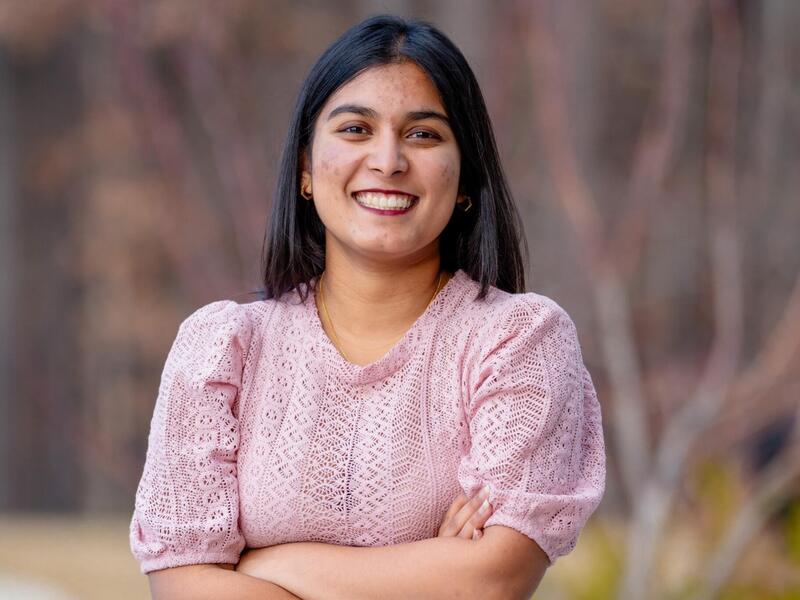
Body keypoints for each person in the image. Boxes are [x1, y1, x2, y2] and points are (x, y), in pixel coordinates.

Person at [130, 14, 605, 600]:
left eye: (424, 134)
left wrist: (264, 565)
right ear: (306, 167)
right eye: (355, 129)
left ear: (465, 180)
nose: (387, 160)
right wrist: (432, 567)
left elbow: (492, 580)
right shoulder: (222, 350)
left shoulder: (519, 341)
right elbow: (180, 586)